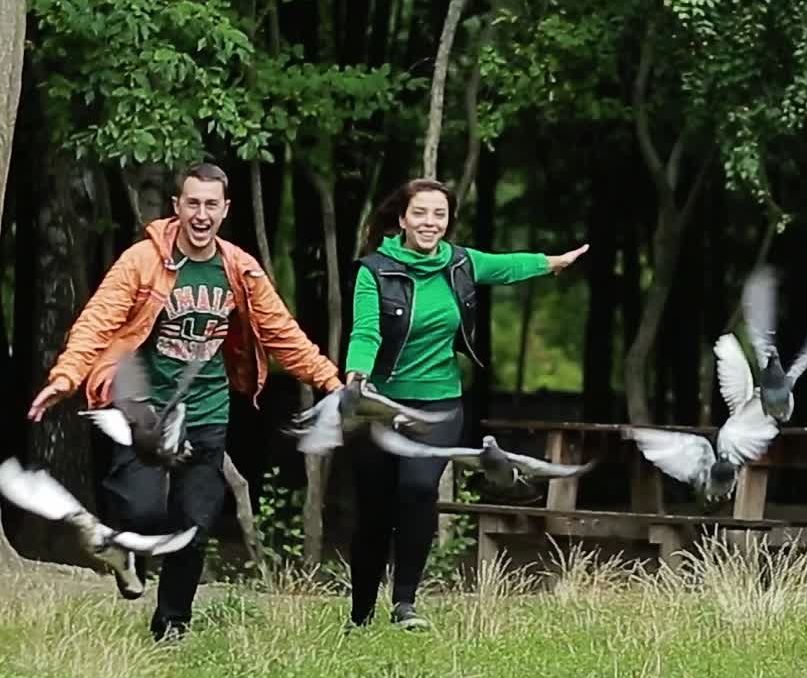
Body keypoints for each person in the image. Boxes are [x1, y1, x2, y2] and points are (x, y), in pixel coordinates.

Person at [28, 161, 342, 640]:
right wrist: (67, 376)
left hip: (207, 412)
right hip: (143, 411)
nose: (201, 214)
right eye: (192, 203)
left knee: (193, 524)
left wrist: (331, 382)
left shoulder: (238, 269)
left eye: (210, 205)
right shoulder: (142, 261)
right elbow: (98, 321)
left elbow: (282, 334)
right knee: (142, 510)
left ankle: (172, 623)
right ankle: (126, 549)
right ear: (177, 206)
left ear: (225, 209)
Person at [345, 178, 587, 630]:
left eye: (439, 214)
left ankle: (405, 605)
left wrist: (552, 263)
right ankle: (360, 613)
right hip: (378, 404)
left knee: (418, 491)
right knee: (375, 508)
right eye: (420, 213)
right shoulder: (372, 270)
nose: (430, 223)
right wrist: (356, 375)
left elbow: (507, 266)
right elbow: (366, 331)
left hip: (439, 400)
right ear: (402, 219)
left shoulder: (459, 263)